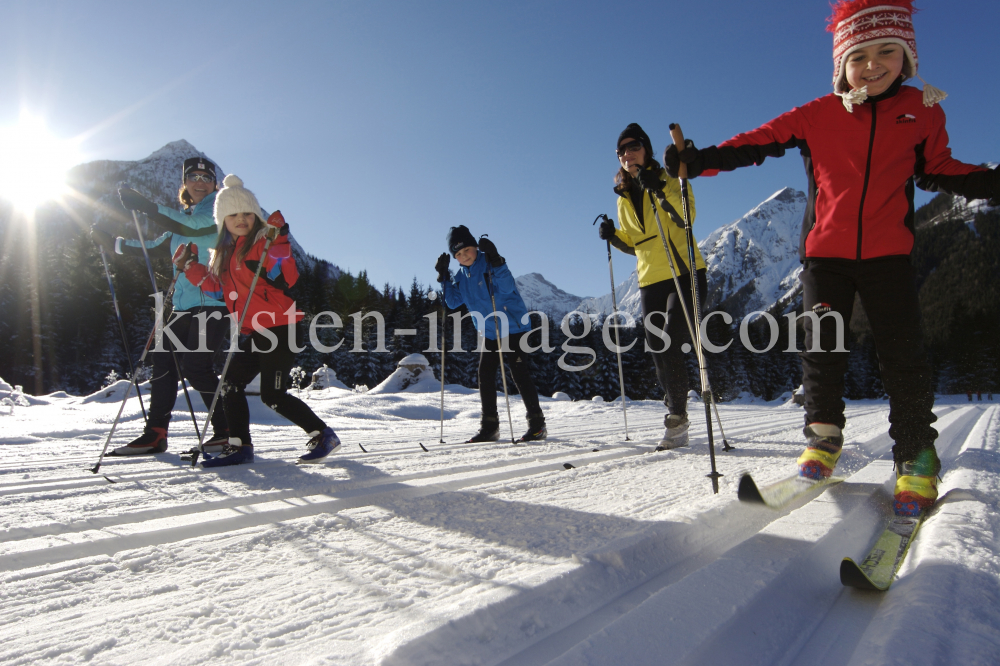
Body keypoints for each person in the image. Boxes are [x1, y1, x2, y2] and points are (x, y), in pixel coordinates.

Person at [663, 0, 999, 516]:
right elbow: (759, 142)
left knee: (902, 357)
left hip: (890, 256)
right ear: (841, 64)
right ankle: (822, 441)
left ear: (907, 57)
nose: (872, 64)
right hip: (825, 258)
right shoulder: (819, 114)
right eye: (858, 55)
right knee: (822, 355)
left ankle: (915, 458)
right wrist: (699, 161)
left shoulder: (923, 110)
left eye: (887, 51)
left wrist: (990, 180)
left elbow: (938, 170)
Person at [175, 174, 341, 467]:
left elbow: (286, 276)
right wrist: (191, 267)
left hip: (280, 327)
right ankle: (240, 446)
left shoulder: (264, 243)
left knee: (272, 395)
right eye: (233, 214)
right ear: (222, 220)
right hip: (258, 330)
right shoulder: (224, 254)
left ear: (256, 216)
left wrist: (281, 243)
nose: (241, 219)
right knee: (229, 383)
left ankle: (323, 435)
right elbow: (218, 289)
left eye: (247, 213)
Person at [91, 157, 230, 455]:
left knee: (197, 367)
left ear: (215, 185)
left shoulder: (218, 212)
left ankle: (226, 432)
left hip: (213, 304)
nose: (200, 182)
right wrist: (111, 243)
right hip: (182, 307)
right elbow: (152, 249)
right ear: (185, 184)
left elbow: (195, 229)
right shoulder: (179, 223)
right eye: (193, 176)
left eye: (207, 177)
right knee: (162, 361)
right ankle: (155, 433)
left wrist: (146, 206)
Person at [598, 123, 706, 449]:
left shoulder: (670, 176)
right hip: (649, 280)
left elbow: (686, 217)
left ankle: (677, 416)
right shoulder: (622, 196)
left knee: (671, 340)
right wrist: (613, 235)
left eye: (632, 147)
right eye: (621, 151)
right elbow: (636, 242)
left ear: (645, 149)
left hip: (683, 272)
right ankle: (678, 414)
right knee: (659, 348)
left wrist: (658, 187)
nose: (626, 154)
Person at [435, 225, 546, 443]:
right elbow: (453, 301)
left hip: (513, 325)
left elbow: (506, 288)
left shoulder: (490, 263)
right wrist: (443, 277)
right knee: (485, 374)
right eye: (457, 254)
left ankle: (537, 424)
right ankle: (489, 427)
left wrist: (497, 260)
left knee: (518, 372)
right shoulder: (461, 276)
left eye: (466, 250)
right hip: (489, 331)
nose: (464, 256)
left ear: (475, 247)